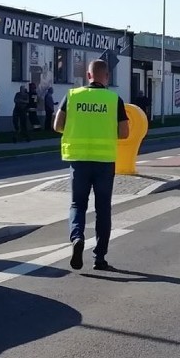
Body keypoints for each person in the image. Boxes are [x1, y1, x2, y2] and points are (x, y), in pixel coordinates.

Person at [54, 59, 129, 272]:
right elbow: (124, 133)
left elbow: (57, 125)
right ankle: (100, 258)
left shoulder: (72, 96)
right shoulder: (115, 100)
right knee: (103, 209)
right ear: (107, 77)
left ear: (88, 76)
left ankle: (77, 237)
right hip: (104, 162)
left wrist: (77, 129)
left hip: (78, 160)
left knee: (78, 204)